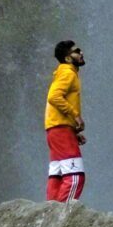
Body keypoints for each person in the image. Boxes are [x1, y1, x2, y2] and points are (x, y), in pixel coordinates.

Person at [45, 39, 86, 202]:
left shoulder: (64, 73)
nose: (81, 53)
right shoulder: (68, 73)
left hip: (56, 129)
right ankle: (61, 214)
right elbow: (54, 97)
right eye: (77, 51)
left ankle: (50, 209)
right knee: (75, 175)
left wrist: (73, 132)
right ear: (68, 58)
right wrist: (75, 115)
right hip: (60, 129)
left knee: (58, 174)